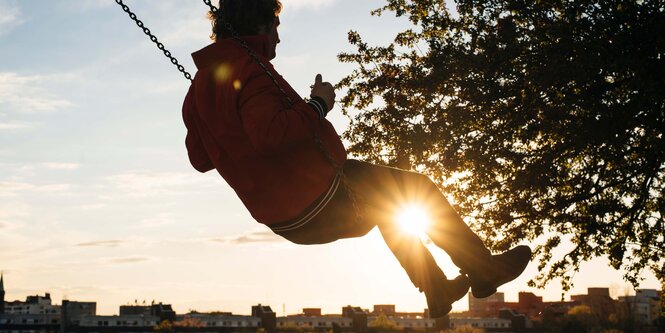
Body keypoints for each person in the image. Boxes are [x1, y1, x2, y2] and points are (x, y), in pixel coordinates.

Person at [182, 0, 531, 318]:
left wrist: (227, 131)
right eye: (275, 27)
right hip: (319, 194)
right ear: (259, 25)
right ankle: (483, 270)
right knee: (416, 189)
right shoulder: (250, 69)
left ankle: (437, 290)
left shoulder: (199, 88)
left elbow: (200, 158)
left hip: (285, 220)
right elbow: (271, 135)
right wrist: (318, 104)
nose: (277, 39)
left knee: (388, 206)